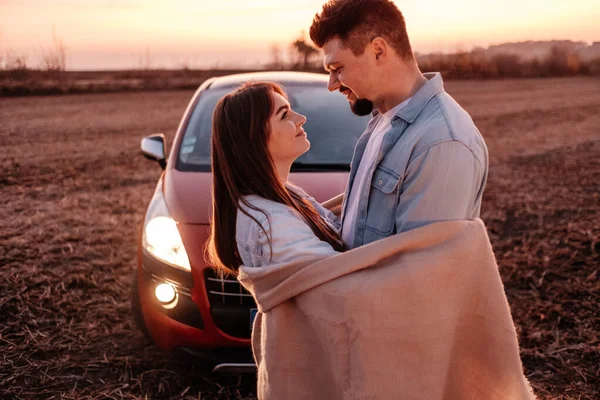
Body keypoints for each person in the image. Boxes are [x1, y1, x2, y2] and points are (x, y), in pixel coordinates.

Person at [310, 0, 489, 249]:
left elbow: (419, 275)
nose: (331, 84)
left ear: (379, 51)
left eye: (337, 68)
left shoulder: (441, 142)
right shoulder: (383, 121)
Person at [206, 81, 344, 274]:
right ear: (255, 138)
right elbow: (339, 280)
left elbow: (337, 225)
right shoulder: (274, 226)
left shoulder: (284, 192)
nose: (301, 118)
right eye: (285, 115)